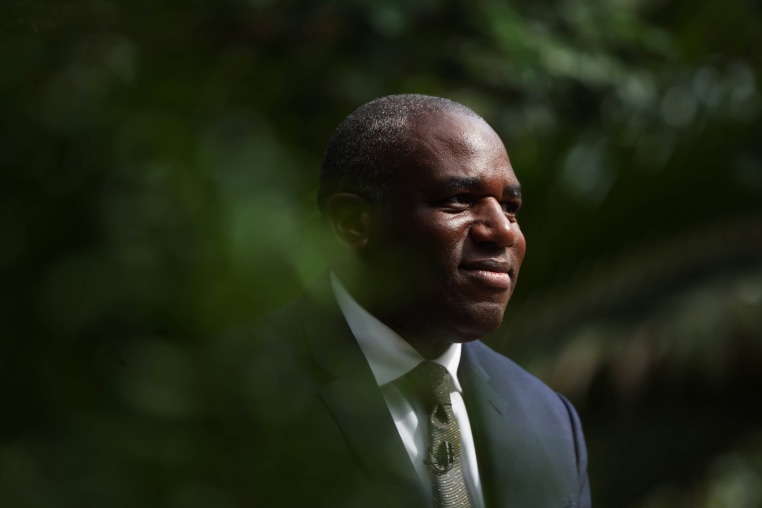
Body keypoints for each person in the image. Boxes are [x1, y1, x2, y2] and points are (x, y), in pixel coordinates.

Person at [222, 94, 591, 507]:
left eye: (511, 207)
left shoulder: (550, 421)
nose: (503, 231)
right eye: (459, 200)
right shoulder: (228, 395)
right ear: (352, 224)